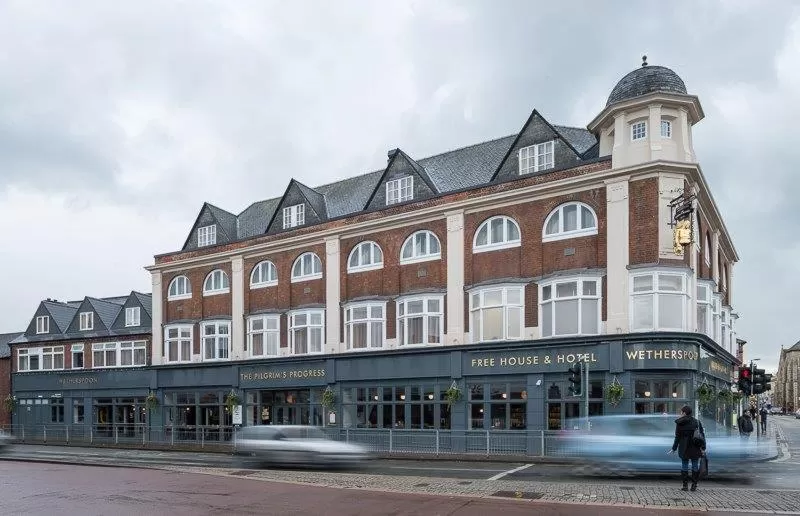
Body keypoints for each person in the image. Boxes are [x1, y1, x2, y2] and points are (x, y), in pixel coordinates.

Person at [669, 405, 706, 492]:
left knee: (684, 465)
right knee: (695, 465)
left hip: (684, 447)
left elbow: (677, 437)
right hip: (695, 446)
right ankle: (694, 485)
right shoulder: (697, 422)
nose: (680, 414)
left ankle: (685, 485)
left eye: (681, 412)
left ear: (684, 413)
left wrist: (674, 448)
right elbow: (702, 436)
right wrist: (703, 447)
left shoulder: (680, 423)